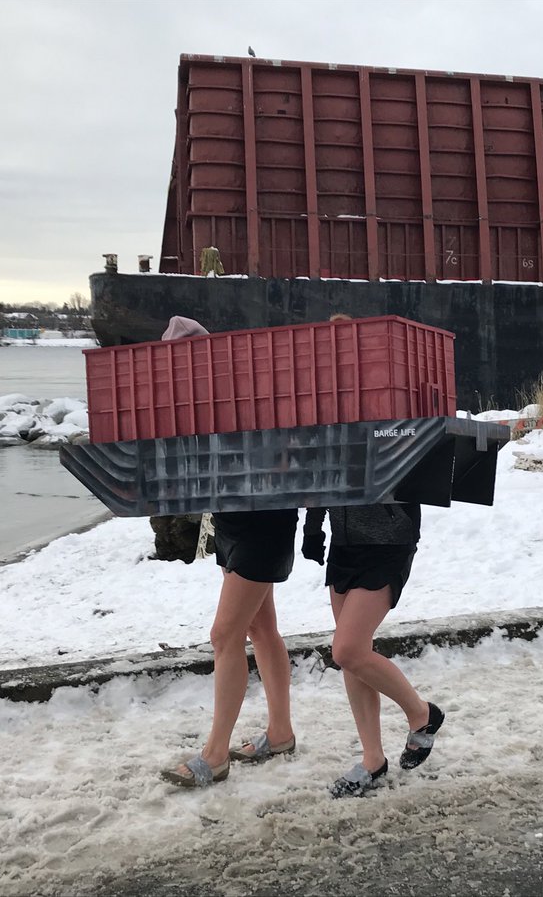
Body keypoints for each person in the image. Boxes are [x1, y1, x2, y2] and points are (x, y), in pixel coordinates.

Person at [159, 317, 299, 788]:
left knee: (225, 635)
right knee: (262, 628)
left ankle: (214, 754)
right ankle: (280, 733)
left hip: (265, 522)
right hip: (232, 522)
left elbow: (285, 455)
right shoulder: (195, 404)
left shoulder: (254, 393)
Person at [303, 500, 444, 798]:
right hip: (344, 543)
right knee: (354, 655)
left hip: (388, 540)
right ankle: (373, 760)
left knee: (347, 650)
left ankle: (421, 712)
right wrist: (313, 527)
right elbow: (322, 466)